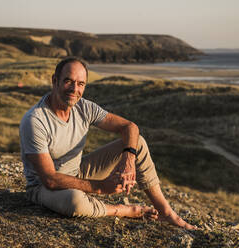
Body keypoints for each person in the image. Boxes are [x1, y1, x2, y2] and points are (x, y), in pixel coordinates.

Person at [19, 57, 196, 229]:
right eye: (68, 81)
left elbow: (129, 127)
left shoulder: (84, 107)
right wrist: (101, 187)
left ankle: (165, 212)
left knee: (137, 143)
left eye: (81, 84)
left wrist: (128, 159)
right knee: (74, 202)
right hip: (43, 188)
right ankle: (124, 210)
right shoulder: (35, 120)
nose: (74, 89)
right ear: (55, 81)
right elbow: (50, 179)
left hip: (77, 171)